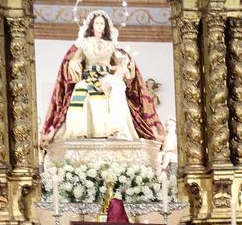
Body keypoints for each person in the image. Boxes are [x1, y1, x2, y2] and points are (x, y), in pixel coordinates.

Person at [39, 10, 163, 144]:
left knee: (112, 96)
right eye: (97, 23)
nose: (99, 25)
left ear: (105, 27)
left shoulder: (111, 45)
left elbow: (120, 61)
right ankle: (79, 131)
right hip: (88, 77)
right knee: (80, 90)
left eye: (101, 23)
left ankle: (113, 131)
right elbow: (75, 59)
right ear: (92, 26)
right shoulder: (83, 43)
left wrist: (127, 63)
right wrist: (74, 64)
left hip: (105, 78)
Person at [99, 52, 138, 140]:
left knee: (117, 104)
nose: (124, 60)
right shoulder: (118, 67)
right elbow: (110, 67)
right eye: (123, 58)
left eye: (126, 59)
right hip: (114, 82)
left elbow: (129, 78)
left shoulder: (126, 70)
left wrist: (132, 69)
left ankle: (119, 130)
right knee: (112, 101)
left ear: (128, 61)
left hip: (118, 85)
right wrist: (105, 63)